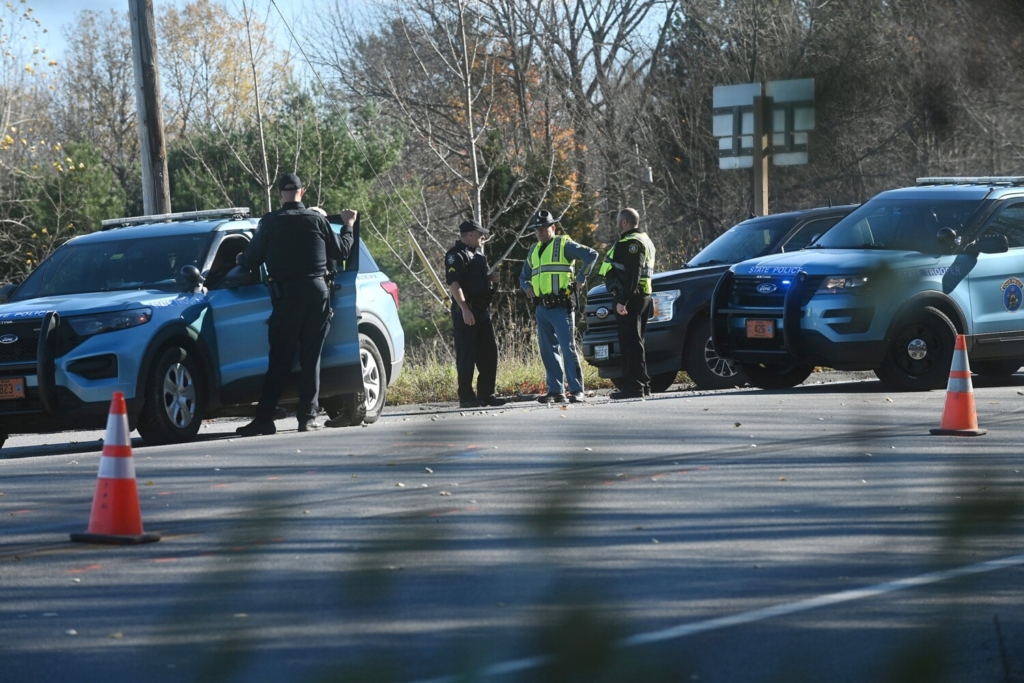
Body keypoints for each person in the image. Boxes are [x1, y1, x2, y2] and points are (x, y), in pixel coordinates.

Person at [235, 173, 355, 436]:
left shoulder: (270, 222)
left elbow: (251, 261)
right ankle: (307, 419)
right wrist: (348, 225)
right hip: (316, 293)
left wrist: (241, 259)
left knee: (280, 359)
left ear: (280, 195)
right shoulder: (318, 220)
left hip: (286, 296)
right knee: (311, 358)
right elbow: (343, 252)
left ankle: (265, 419)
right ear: (303, 192)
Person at [519, 210, 598, 403]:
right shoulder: (533, 250)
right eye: (537, 228)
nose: (539, 231)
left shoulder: (563, 244)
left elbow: (591, 255)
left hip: (561, 306)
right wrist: (527, 286)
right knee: (548, 351)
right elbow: (523, 276)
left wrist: (581, 278)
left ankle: (577, 390)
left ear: (553, 227)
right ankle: (555, 390)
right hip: (541, 308)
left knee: (567, 348)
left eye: (543, 228)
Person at [445, 219, 507, 409]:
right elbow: (454, 284)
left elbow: (474, 279)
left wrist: (490, 278)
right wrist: (465, 309)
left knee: (489, 353)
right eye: (480, 235)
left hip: (481, 311)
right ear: (471, 235)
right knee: (467, 355)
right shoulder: (455, 255)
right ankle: (466, 397)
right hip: (466, 311)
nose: (483, 238)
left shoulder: (478, 255)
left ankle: (487, 394)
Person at [599, 208, 656, 399]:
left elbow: (633, 275)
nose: (616, 223)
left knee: (630, 343)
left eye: (618, 220)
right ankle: (643, 385)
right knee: (636, 342)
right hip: (641, 296)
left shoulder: (632, 243)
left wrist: (623, 300)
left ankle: (634, 387)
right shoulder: (644, 239)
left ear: (624, 222)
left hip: (631, 298)